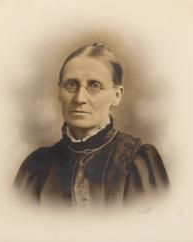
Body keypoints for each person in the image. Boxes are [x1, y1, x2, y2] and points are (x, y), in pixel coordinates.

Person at [14, 43, 170, 207]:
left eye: (94, 85)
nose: (80, 98)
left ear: (116, 95)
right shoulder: (36, 167)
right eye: (71, 85)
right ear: (59, 92)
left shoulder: (137, 162)